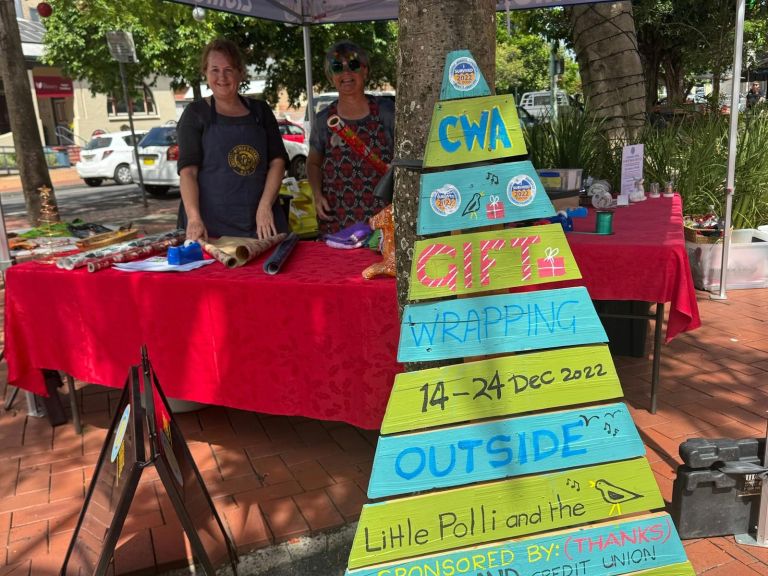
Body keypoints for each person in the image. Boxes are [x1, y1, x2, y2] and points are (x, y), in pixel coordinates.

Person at [177, 38, 289, 241]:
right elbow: (188, 172)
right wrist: (194, 218)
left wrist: (265, 206)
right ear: (205, 72)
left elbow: (278, 162)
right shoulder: (195, 114)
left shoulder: (260, 111)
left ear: (240, 72)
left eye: (228, 69)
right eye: (214, 70)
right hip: (211, 226)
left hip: (261, 223)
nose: (222, 77)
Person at [307, 40, 395, 235]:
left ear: (365, 71)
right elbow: (313, 163)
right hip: (337, 219)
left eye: (353, 65)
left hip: (382, 218)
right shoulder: (324, 120)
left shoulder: (386, 113)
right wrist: (317, 194)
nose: (346, 73)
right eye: (337, 67)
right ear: (331, 77)